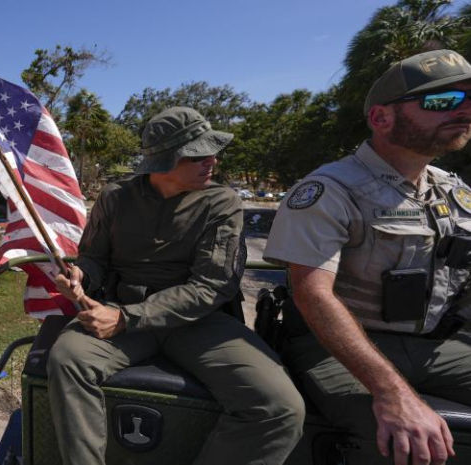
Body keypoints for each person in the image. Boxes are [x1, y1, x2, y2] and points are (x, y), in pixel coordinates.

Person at [48, 106, 305, 465]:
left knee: (279, 406)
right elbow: (94, 257)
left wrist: (125, 318)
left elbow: (212, 286)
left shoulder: (221, 203)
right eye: (198, 154)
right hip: (121, 314)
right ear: (166, 161)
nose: (212, 160)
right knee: (68, 358)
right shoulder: (116, 197)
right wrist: (80, 277)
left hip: (197, 322)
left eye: (212, 151)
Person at [264, 49, 471, 465]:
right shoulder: (331, 189)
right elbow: (312, 294)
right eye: (442, 101)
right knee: (407, 445)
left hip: (438, 344)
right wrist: (391, 394)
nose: (463, 110)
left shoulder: (453, 191)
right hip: (338, 346)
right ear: (381, 118)